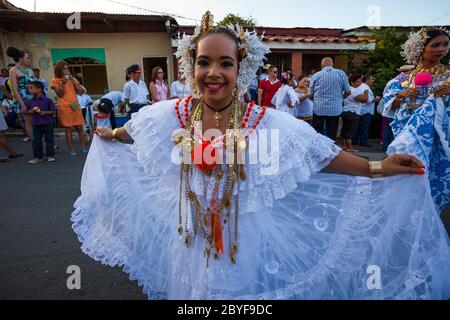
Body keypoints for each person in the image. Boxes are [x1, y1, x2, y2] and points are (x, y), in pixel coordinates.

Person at [77, 12, 450, 300]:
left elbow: (319, 152)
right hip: (189, 235)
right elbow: (140, 127)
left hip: (241, 237)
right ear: (192, 66)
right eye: (205, 62)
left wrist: (375, 167)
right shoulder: (174, 113)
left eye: (225, 63)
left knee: (234, 292)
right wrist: (112, 133)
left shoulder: (264, 121)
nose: (214, 72)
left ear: (241, 69)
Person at [383, 27, 450, 213]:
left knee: (436, 175)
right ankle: (409, 214)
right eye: (435, 45)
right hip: (410, 137)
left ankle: (430, 215)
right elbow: (386, 109)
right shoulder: (404, 78)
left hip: (441, 137)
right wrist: (401, 96)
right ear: (421, 48)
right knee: (410, 174)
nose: (441, 49)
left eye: (445, 44)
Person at [309, 57, 351, 141]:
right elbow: (348, 91)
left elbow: (310, 94)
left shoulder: (316, 75)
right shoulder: (341, 73)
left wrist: (316, 99)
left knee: (317, 132)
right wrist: (340, 98)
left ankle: (318, 150)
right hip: (335, 108)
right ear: (332, 64)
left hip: (319, 108)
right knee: (332, 132)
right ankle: (331, 150)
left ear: (321, 65)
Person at [51, 61, 87, 156]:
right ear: (59, 69)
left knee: (80, 127)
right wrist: (63, 82)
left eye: (67, 68)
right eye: (64, 69)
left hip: (75, 105)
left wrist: (72, 79)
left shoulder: (72, 79)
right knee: (68, 128)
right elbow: (60, 94)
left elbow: (81, 92)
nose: (66, 70)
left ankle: (83, 148)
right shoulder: (55, 80)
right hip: (65, 107)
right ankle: (71, 150)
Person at [6, 46, 34, 142]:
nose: (29, 59)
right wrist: (22, 104)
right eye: (27, 58)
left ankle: (43, 142)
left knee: (37, 121)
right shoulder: (13, 70)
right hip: (23, 99)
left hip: (33, 98)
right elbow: (14, 89)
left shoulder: (30, 71)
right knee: (29, 122)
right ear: (21, 58)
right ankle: (39, 144)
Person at [25, 81, 56, 164]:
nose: (29, 90)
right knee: (36, 141)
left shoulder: (48, 100)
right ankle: (38, 157)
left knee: (49, 140)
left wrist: (44, 112)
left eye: (31, 88)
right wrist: (31, 111)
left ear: (39, 89)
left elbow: (53, 111)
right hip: (36, 124)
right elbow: (27, 111)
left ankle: (50, 155)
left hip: (47, 123)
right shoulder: (31, 101)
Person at [341, 74, 368, 152]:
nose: (360, 84)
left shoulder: (346, 89)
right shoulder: (353, 90)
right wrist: (366, 90)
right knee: (350, 130)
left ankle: (344, 146)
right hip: (353, 112)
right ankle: (349, 147)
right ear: (352, 82)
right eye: (358, 82)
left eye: (361, 81)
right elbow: (364, 99)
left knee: (345, 129)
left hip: (345, 111)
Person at [353, 75, 380, 147]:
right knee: (364, 127)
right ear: (367, 80)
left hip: (361, 109)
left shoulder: (360, 86)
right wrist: (375, 99)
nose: (372, 81)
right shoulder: (365, 87)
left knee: (358, 127)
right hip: (366, 110)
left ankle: (355, 141)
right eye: (371, 79)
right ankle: (363, 142)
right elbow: (366, 99)